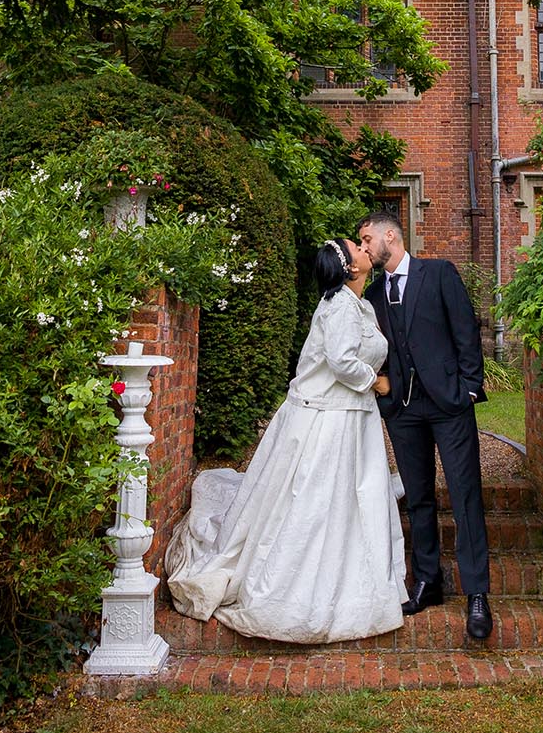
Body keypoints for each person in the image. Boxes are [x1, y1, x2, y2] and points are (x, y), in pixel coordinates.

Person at [163, 238, 407, 643]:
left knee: (349, 497)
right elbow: (343, 361)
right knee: (314, 498)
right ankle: (297, 591)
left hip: (348, 418)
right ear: (351, 268)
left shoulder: (357, 304)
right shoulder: (341, 306)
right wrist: (377, 382)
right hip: (329, 419)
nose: (366, 249)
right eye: (359, 248)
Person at [357, 210, 494, 642]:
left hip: (449, 405)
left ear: (390, 236)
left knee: (464, 493)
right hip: (403, 409)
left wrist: (470, 387)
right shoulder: (374, 294)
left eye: (366, 239)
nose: (363, 248)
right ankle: (427, 582)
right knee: (417, 498)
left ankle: (476, 593)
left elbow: (466, 330)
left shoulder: (439, 274)